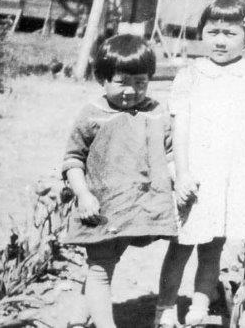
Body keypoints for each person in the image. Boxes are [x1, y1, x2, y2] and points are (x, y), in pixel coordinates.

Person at [156, 0, 245, 327]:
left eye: (230, 33)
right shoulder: (191, 74)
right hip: (196, 174)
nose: (220, 40)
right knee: (181, 244)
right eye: (213, 31)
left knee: (214, 247)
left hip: (230, 175)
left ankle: (200, 306)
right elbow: (181, 129)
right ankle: (164, 307)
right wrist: (183, 174)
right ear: (202, 32)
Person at [61, 34, 177, 328]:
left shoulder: (156, 112)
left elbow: (171, 151)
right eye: (122, 81)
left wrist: (178, 179)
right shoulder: (92, 114)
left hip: (138, 206)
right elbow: (73, 160)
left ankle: (82, 307)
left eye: (141, 82)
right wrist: (84, 195)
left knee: (112, 258)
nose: (132, 91)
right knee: (100, 266)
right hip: (101, 205)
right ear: (103, 78)